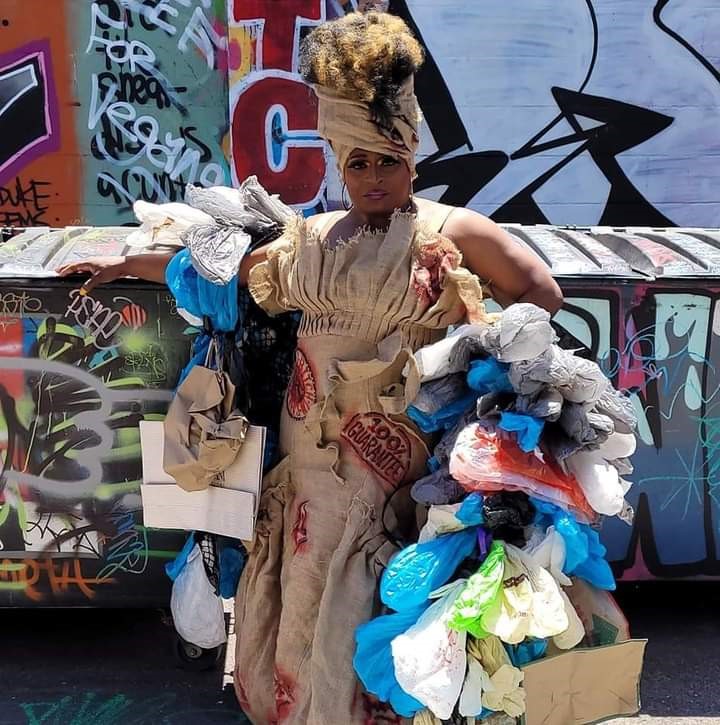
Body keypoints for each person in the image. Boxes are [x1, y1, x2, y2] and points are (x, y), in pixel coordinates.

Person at [58, 12, 561, 724]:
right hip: (307, 469)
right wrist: (123, 263)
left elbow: (541, 295)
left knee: (385, 591)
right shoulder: (312, 241)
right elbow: (214, 275)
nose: (373, 177)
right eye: (356, 163)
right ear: (335, 159)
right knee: (302, 585)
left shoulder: (454, 233)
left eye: (387, 160)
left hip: (401, 468)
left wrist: (485, 356)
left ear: (412, 154)